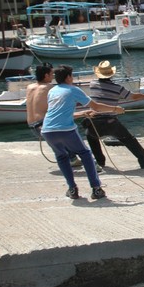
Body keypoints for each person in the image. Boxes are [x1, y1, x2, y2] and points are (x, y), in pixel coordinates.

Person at [41, 64, 125, 200]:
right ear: (68, 77)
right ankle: (96, 188)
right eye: (72, 75)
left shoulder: (52, 91)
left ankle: (72, 189)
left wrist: (82, 113)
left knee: (62, 157)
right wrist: (115, 109)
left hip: (47, 130)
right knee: (85, 154)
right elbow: (96, 106)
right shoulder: (73, 90)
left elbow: (59, 113)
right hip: (66, 130)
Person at [83, 60, 144, 171]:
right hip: (111, 122)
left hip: (94, 122)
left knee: (90, 136)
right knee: (130, 140)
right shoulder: (117, 88)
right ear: (111, 74)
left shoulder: (93, 84)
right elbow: (133, 97)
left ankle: (100, 162)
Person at [26, 62, 82, 168]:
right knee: (68, 129)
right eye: (52, 74)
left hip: (32, 126)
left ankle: (71, 157)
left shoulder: (29, 87)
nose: (54, 77)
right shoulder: (49, 88)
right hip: (44, 125)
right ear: (46, 75)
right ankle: (73, 157)